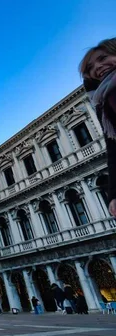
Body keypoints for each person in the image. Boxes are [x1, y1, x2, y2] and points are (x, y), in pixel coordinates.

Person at [80, 38, 116, 216]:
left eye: (102, 58)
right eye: (90, 68)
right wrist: (114, 194)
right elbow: (113, 147)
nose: (97, 67)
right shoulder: (103, 101)